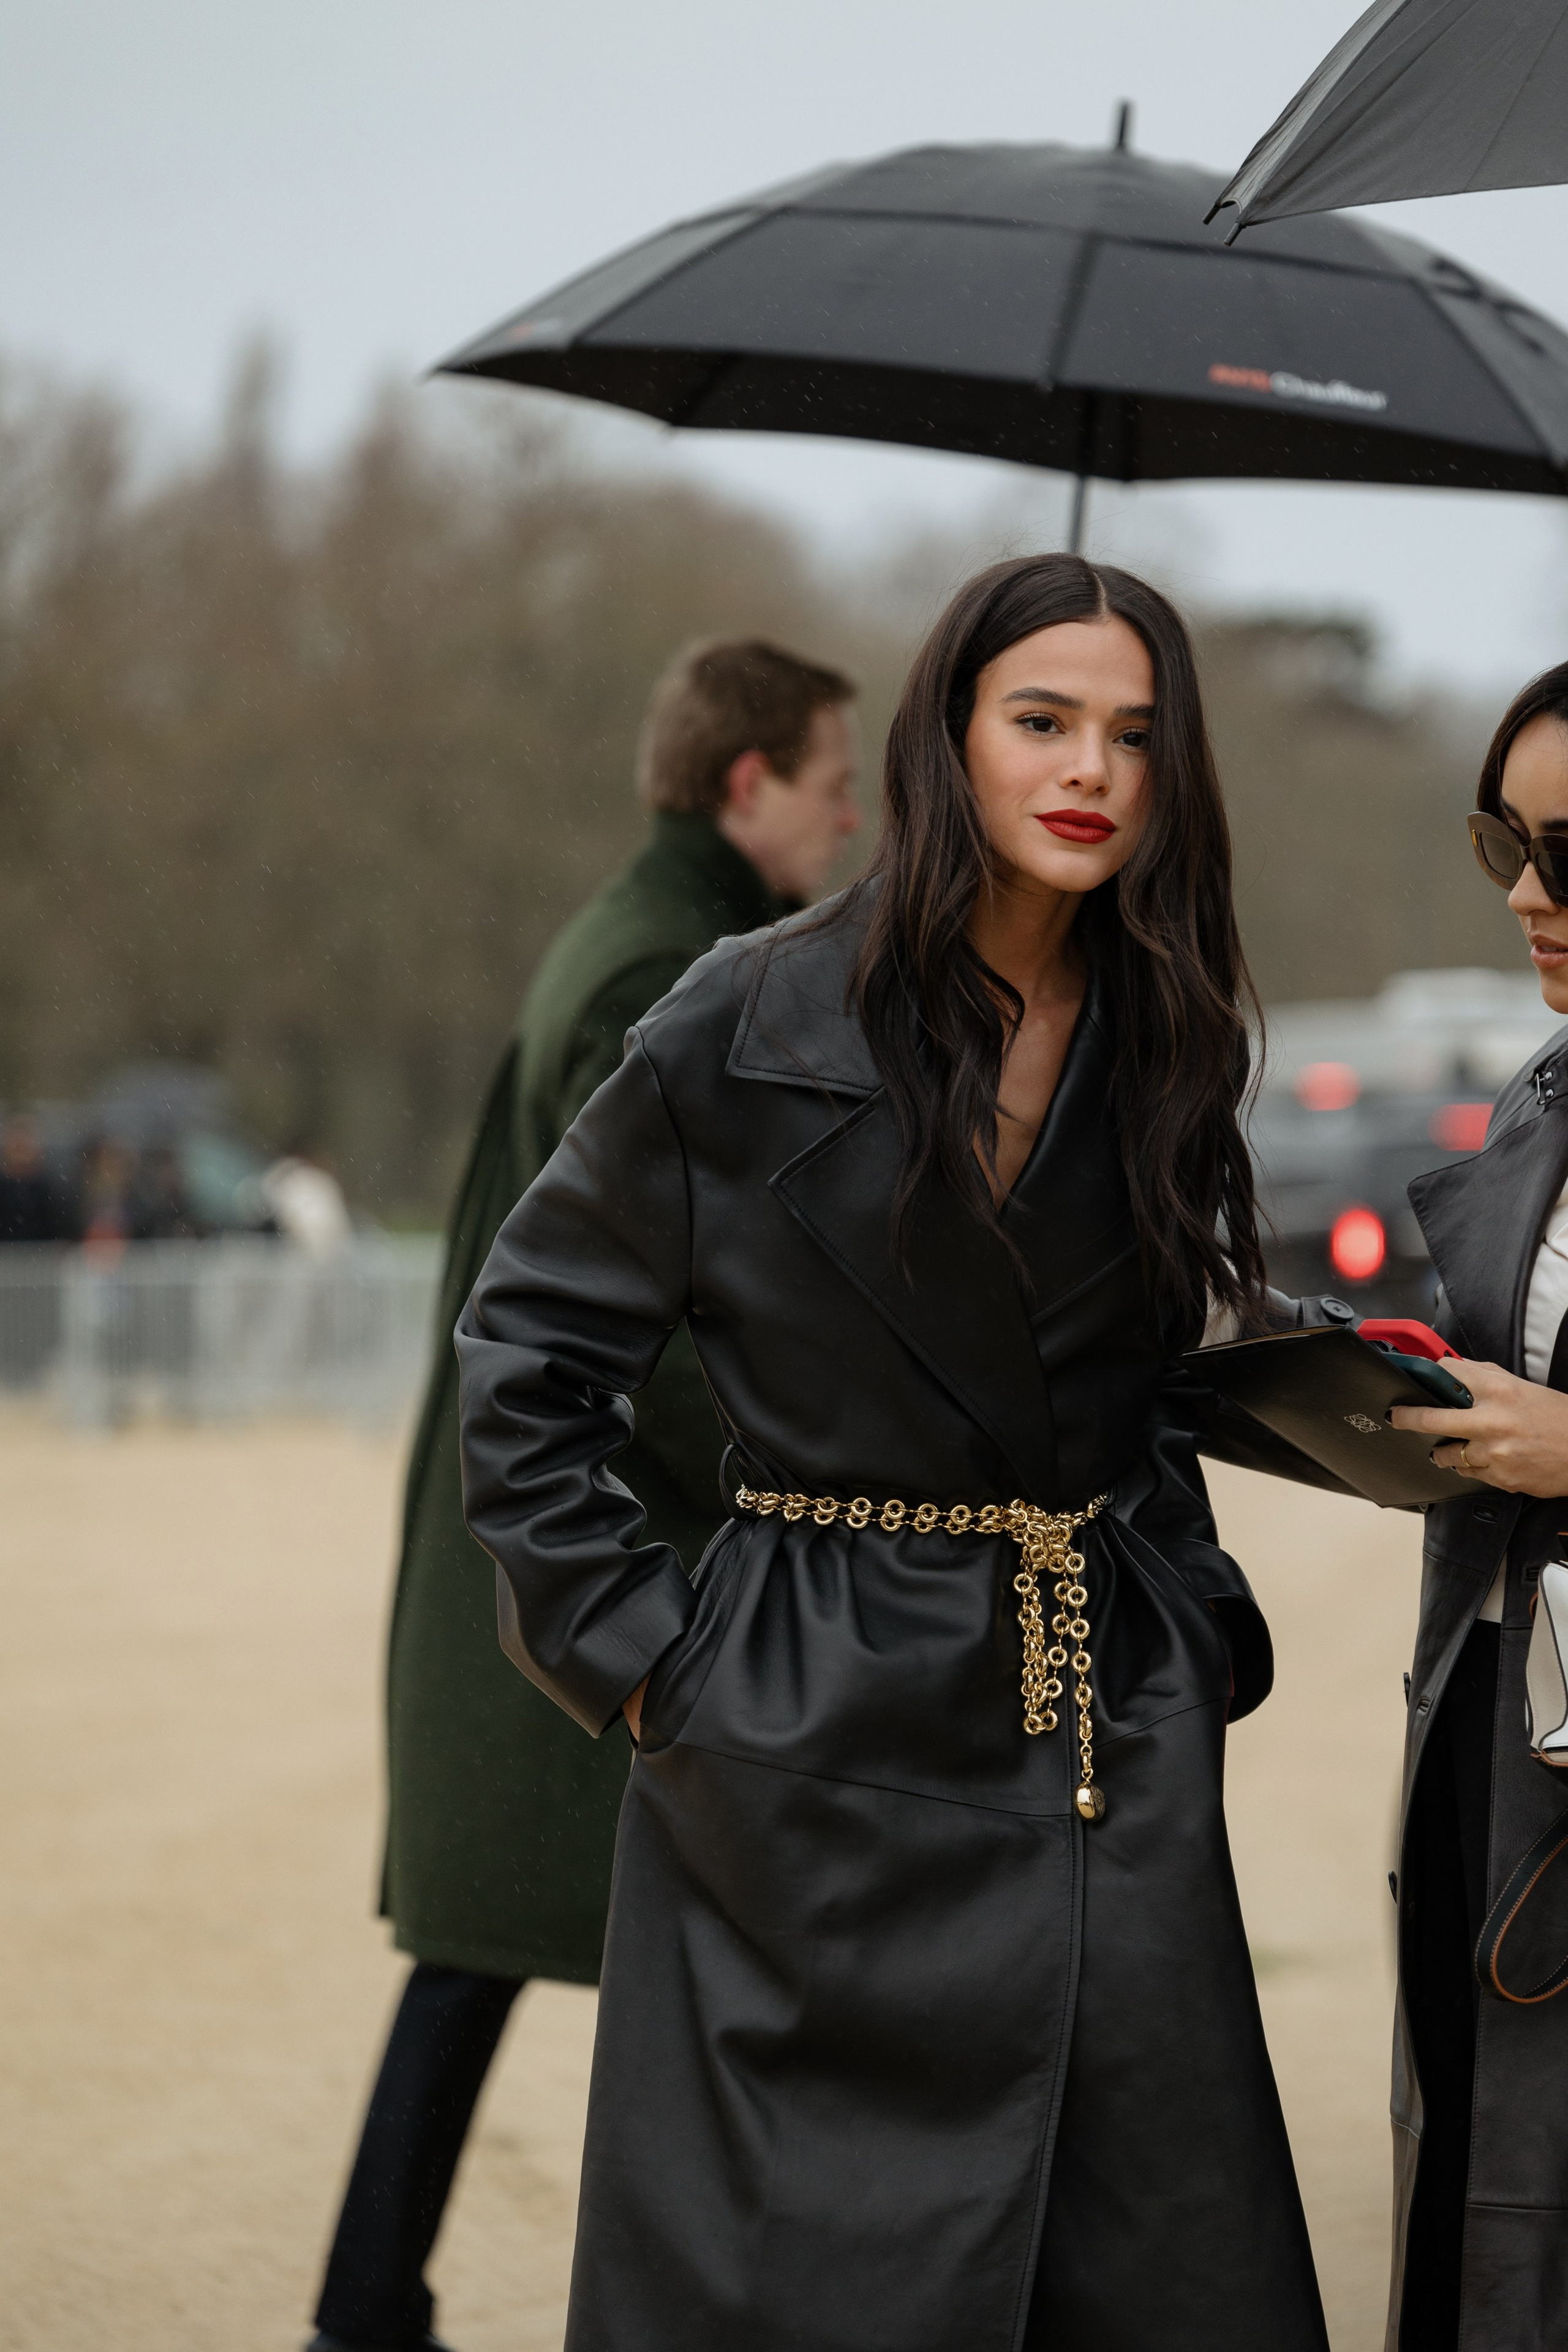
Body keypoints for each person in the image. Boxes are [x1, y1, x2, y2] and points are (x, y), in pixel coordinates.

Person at [456, 555, 1330, 2352]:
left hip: (1095, 1750)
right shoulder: (739, 1016)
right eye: (1041, 720)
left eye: (1133, 733)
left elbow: (1144, 1394)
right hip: (795, 1749)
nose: (1089, 765)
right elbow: (525, 1350)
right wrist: (644, 1666)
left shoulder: (1173, 1041)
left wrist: (1194, 1624)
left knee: (1147, 2271)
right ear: (950, 740)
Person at [309, 639, 859, 2352]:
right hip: (603, 1550)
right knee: (731, 1946)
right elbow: (677, 1304)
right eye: (835, 786)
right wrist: (817, 1470)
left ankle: (367, 2308)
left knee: (491, 1954)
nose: (851, 823)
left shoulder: (632, 935)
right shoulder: (664, 968)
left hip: (549, 1545)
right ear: (745, 780)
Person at [1362, 660, 1568, 2351]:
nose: (1524, 892)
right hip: (1489, 1728)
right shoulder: (1543, 1097)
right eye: (1506, 837)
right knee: (1473, 2191)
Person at [0, 1114, 71, 1242]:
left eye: (25, 1146)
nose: (21, 1153)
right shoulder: (5, 1189)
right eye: (17, 1147)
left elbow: (59, 1231)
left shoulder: (50, 1190)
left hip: (41, 1258)